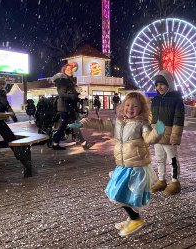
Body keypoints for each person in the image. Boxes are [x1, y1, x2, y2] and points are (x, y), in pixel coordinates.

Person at [68, 92, 165, 236]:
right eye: (127, 105)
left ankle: (135, 219)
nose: (130, 108)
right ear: (123, 106)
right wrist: (83, 123)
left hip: (136, 166)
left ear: (141, 109)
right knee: (125, 194)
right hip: (123, 164)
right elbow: (100, 124)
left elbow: (150, 139)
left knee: (118, 193)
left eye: (135, 106)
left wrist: (158, 132)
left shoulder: (142, 124)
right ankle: (131, 218)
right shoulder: (118, 121)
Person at [150, 70, 185, 196]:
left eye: (162, 84)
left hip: (169, 134)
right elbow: (152, 118)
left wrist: (175, 136)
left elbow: (178, 118)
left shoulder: (176, 98)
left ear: (169, 83)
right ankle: (161, 180)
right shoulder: (155, 100)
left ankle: (175, 182)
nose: (159, 87)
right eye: (157, 84)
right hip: (157, 133)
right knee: (159, 159)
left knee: (172, 159)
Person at [51, 64, 79, 150]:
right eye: (68, 69)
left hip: (69, 106)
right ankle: (55, 142)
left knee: (73, 123)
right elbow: (62, 94)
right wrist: (73, 96)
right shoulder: (62, 80)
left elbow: (69, 92)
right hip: (64, 106)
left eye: (71, 69)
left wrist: (75, 95)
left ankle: (56, 142)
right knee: (64, 124)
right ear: (64, 71)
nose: (70, 70)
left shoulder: (68, 80)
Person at [0, 77, 18, 154]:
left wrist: (13, 116)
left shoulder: (3, 92)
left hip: (0, 115)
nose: (2, 86)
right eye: (0, 84)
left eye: (3, 85)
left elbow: (6, 104)